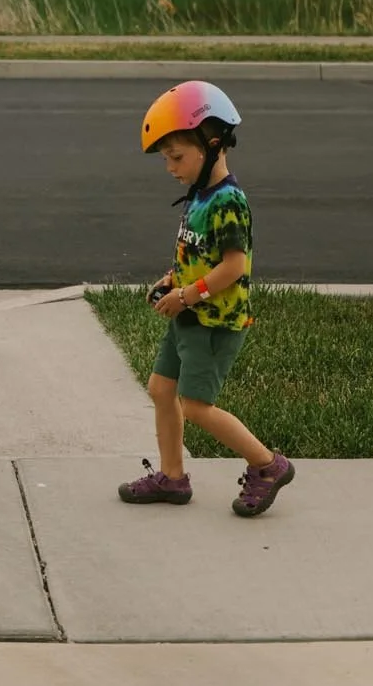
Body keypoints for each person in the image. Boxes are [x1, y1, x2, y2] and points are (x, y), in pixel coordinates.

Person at [117, 80, 294, 517]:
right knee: (161, 389)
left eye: (176, 157)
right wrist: (169, 280)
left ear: (212, 145)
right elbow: (199, 254)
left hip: (215, 322)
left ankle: (267, 464)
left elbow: (234, 266)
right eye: (165, 159)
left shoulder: (229, 201)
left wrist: (187, 294)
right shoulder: (198, 196)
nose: (170, 168)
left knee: (196, 406)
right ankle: (173, 478)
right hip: (189, 314)